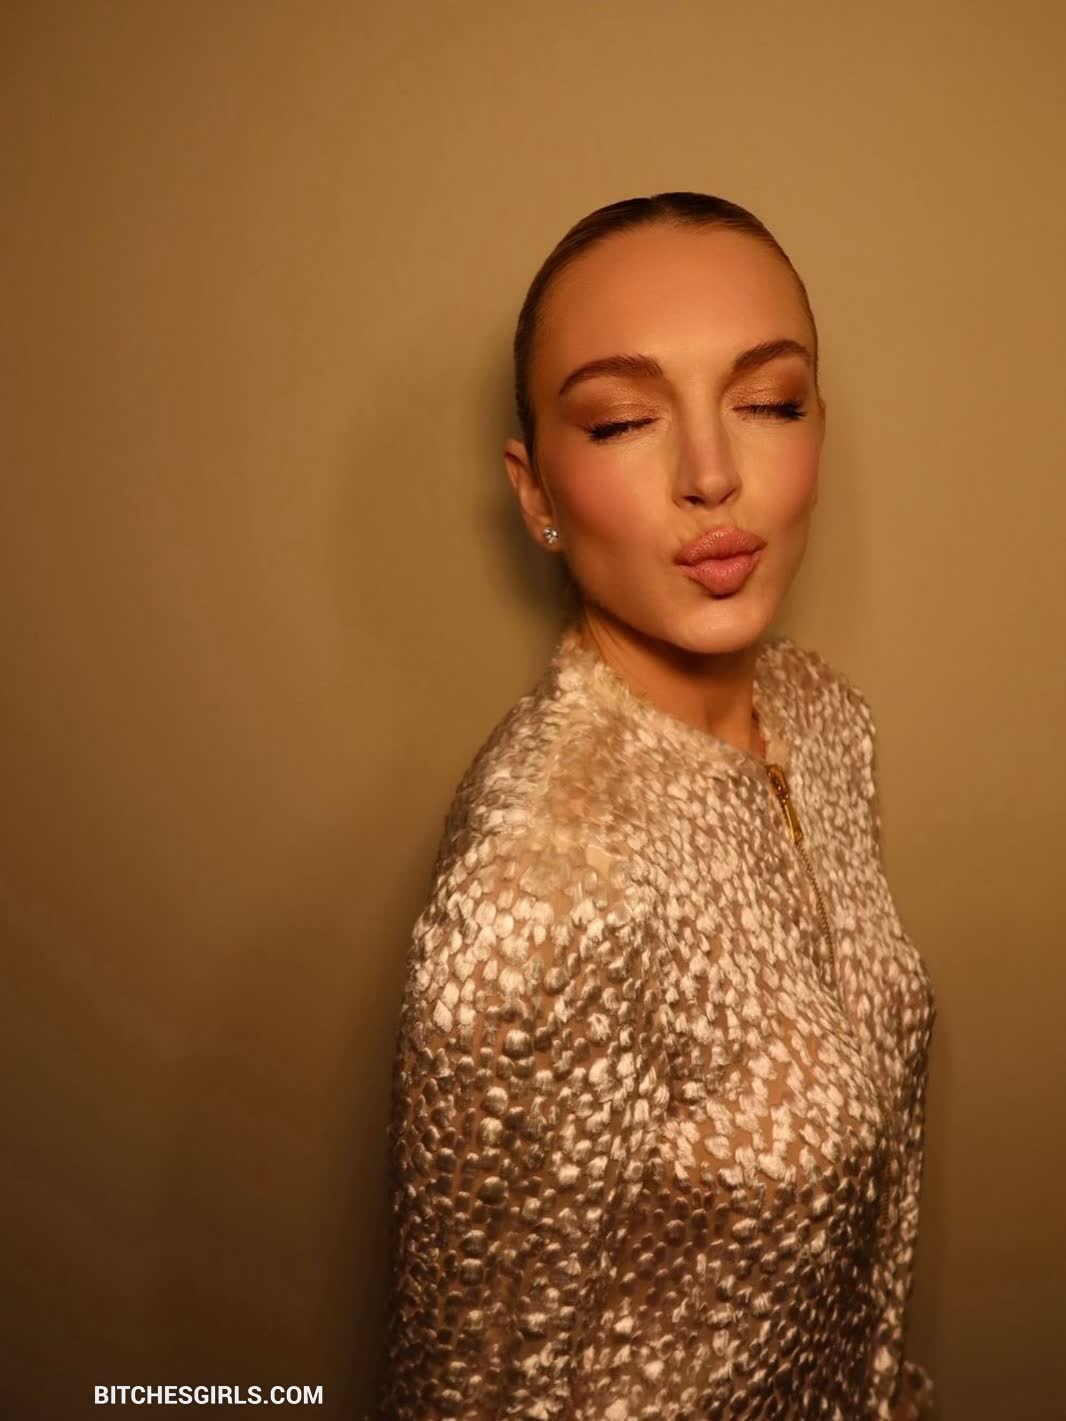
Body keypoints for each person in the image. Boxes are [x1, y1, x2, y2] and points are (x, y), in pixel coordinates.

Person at [375, 192, 936, 1420]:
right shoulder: (536, 893)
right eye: (623, 420)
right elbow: (472, 1394)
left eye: (768, 402)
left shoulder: (823, 721)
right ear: (536, 490)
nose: (712, 475)